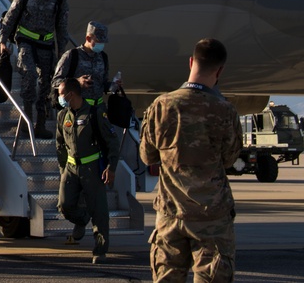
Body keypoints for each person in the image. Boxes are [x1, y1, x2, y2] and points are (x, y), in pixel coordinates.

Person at [139, 39, 242, 282]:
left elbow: (147, 156)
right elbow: (229, 159)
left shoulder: (162, 106)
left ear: (191, 62)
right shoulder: (225, 110)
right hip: (211, 218)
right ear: (219, 71)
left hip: (170, 215)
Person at [0, 0, 70, 139]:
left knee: (46, 83)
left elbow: (62, 26)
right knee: (29, 75)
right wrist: (3, 40)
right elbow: (11, 16)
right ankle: (27, 117)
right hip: (26, 42)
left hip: (46, 45)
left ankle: (41, 124)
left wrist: (61, 52)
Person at [55, 77, 119, 264]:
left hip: (92, 169)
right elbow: (60, 144)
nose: (59, 98)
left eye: (61, 94)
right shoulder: (63, 116)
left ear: (70, 94)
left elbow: (112, 142)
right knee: (64, 205)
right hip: (71, 168)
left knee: (99, 211)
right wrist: (62, 169)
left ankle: (100, 249)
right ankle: (82, 219)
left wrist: (111, 167)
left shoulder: (94, 113)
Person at [53, 22, 116, 106]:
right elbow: (55, 82)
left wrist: (113, 85)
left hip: (99, 109)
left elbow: (103, 83)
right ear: (88, 38)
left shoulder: (103, 57)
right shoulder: (72, 55)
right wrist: (76, 83)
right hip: (78, 109)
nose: (101, 44)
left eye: (103, 42)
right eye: (98, 41)